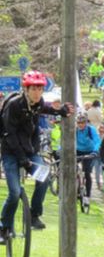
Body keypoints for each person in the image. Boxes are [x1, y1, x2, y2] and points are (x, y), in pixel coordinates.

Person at [0, 71, 72, 235]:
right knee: (15, 192)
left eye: (40, 89)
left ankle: (34, 215)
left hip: (29, 150)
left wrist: (60, 111)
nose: (38, 93)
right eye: (34, 89)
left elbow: (45, 108)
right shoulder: (14, 105)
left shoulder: (38, 103)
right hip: (11, 152)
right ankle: (4, 227)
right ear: (26, 89)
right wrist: (22, 159)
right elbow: (9, 135)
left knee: (44, 178)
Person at [75, 112, 101, 205]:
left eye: (82, 123)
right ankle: (76, 187)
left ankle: (87, 196)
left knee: (87, 173)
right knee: (72, 169)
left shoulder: (91, 130)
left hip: (89, 151)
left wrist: (95, 151)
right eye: (79, 123)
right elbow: (66, 141)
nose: (80, 125)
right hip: (77, 150)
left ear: (86, 123)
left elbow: (97, 141)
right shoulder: (75, 130)